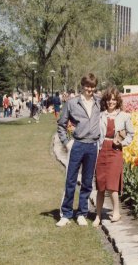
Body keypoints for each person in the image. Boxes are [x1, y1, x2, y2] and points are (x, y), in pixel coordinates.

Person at [56, 73, 101, 227]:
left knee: (88, 182)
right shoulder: (72, 103)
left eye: (92, 87)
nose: (90, 89)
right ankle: (66, 214)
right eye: (87, 86)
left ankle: (82, 213)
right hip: (77, 144)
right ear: (83, 86)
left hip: (92, 145)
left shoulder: (98, 102)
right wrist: (67, 143)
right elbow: (61, 124)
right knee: (71, 180)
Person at [93, 86, 135, 227]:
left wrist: (122, 142)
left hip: (115, 150)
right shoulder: (100, 115)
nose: (111, 102)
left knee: (112, 183)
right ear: (105, 101)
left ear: (117, 101)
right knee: (100, 184)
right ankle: (98, 215)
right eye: (109, 100)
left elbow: (131, 134)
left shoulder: (124, 116)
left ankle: (116, 212)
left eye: (113, 100)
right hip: (101, 150)